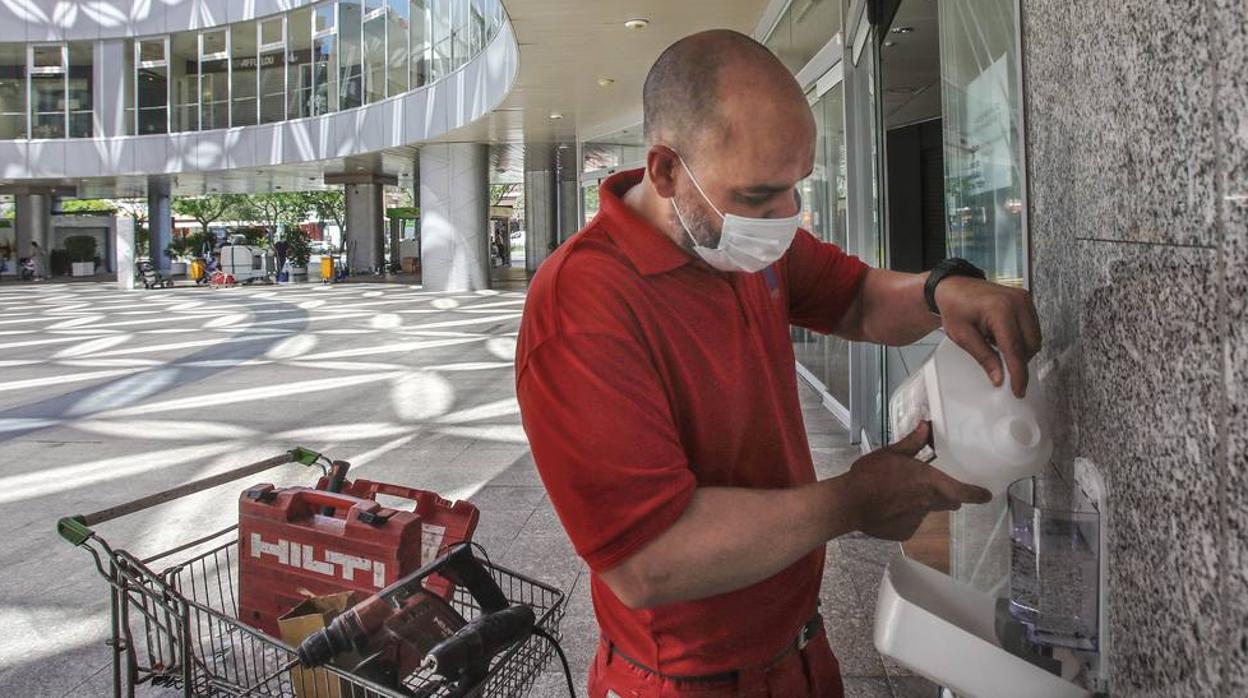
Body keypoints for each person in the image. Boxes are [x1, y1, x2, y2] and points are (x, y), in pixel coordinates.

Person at [515, 30, 1042, 698]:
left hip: (798, 651)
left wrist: (944, 290)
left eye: (797, 187)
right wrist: (854, 501)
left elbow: (854, 299)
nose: (786, 216)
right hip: (682, 680)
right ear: (666, 171)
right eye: (761, 196)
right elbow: (649, 562)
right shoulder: (580, 308)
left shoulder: (738, 242)